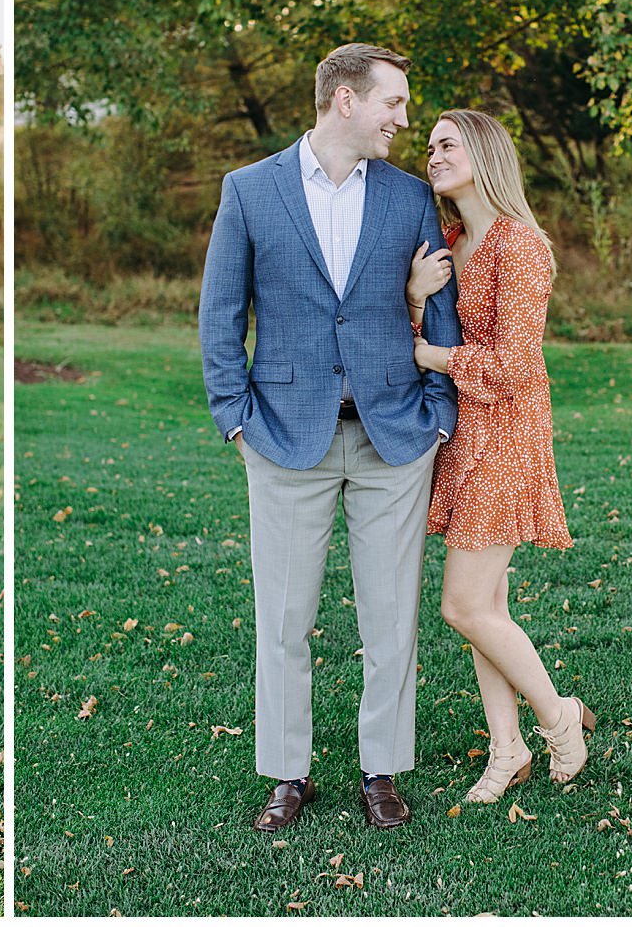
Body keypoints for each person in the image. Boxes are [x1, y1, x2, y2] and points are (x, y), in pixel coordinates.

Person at [200, 43, 461, 833]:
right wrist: (233, 416)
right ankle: (289, 773)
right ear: (345, 100)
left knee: (391, 618)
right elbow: (221, 314)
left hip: (394, 437)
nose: (404, 120)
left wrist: (439, 411)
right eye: (394, 103)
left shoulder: (410, 197)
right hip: (283, 438)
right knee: (283, 619)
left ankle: (381, 769)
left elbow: (438, 306)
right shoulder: (249, 190)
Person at [405, 108, 596, 804]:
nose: (432, 154)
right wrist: (417, 297)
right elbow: (429, 328)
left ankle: (559, 718)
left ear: (483, 153)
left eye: (446, 142)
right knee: (487, 599)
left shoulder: (518, 246)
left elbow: (517, 365)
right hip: (466, 432)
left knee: (462, 604)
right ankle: (505, 745)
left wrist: (435, 354)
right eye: (428, 146)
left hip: (507, 433)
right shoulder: (452, 241)